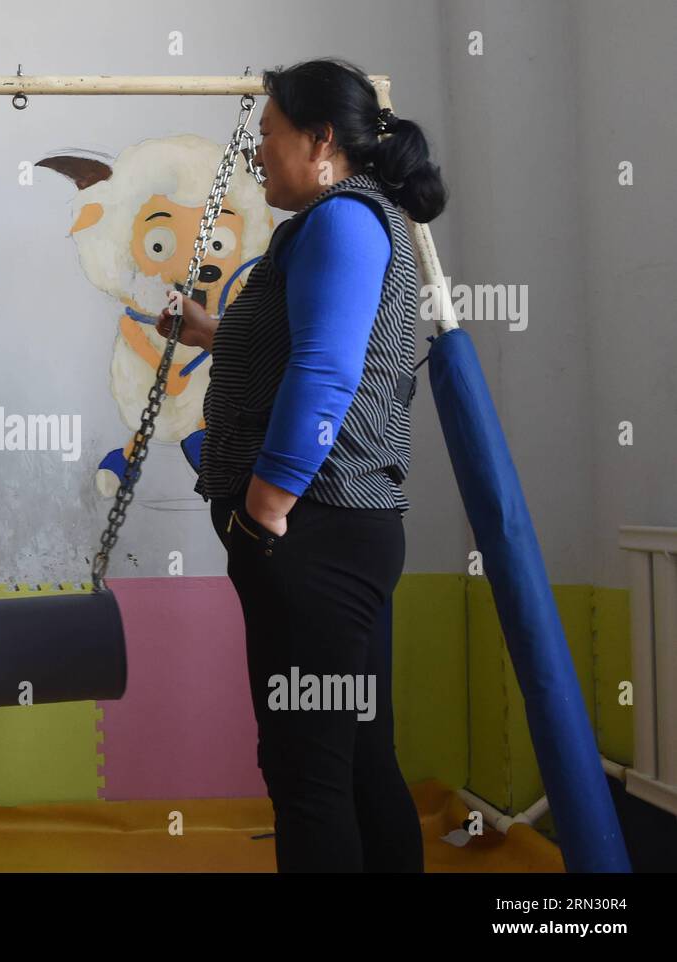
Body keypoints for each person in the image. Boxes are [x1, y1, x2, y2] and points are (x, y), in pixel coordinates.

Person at [157, 58, 447, 872]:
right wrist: (215, 335)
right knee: (353, 757)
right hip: (337, 534)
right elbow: (310, 345)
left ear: (321, 140)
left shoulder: (342, 220)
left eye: (270, 134)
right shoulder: (347, 221)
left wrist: (266, 510)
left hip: (312, 535)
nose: (257, 152)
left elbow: (326, 372)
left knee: (308, 774)